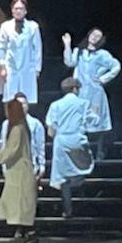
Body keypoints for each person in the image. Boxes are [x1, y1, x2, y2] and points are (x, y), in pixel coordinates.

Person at [0, 100, 39, 243]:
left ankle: (30, 233)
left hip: (20, 172)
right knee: (18, 204)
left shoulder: (17, 129)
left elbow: (11, 151)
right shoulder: (18, 128)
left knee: (22, 205)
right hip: (16, 171)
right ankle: (25, 232)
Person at [62, 28, 121, 158]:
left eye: (98, 36)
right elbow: (69, 62)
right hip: (81, 92)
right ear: (89, 35)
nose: (95, 37)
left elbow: (116, 66)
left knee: (97, 121)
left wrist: (103, 79)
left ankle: (100, 150)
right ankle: (83, 150)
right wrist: (67, 45)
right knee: (81, 121)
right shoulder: (79, 52)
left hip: (95, 93)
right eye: (94, 34)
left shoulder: (102, 54)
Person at [46, 77, 94, 219]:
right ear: (75, 89)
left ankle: (68, 210)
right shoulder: (83, 103)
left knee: (63, 180)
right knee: (83, 168)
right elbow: (92, 121)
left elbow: (51, 130)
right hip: (77, 139)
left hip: (61, 141)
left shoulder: (55, 105)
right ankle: (82, 205)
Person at [0, 0, 42, 103]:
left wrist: (37, 69)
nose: (18, 11)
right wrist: (2, 66)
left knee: (27, 97)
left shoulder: (33, 27)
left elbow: (37, 49)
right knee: (11, 98)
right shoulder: (5, 26)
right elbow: (1, 47)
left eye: (21, 8)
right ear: (12, 10)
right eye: (16, 8)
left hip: (28, 68)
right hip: (11, 68)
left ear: (25, 11)